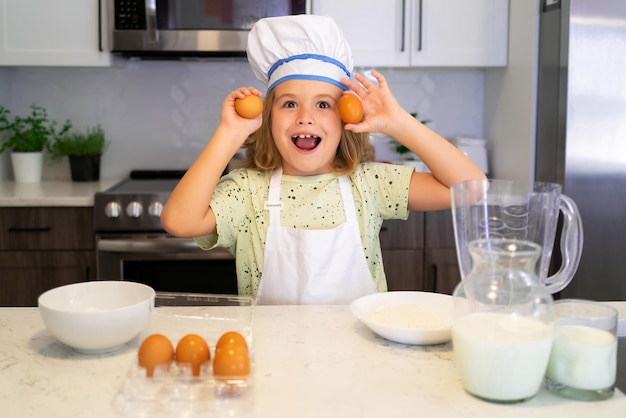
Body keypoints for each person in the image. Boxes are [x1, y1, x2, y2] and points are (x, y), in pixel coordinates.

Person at [160, 15, 486, 305]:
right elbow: (179, 221)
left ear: (345, 118)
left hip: (358, 363)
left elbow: (473, 188)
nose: (305, 118)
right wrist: (230, 133)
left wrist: (398, 122)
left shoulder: (369, 184)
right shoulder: (246, 191)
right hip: (275, 364)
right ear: (267, 117)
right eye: (289, 104)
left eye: (323, 105)